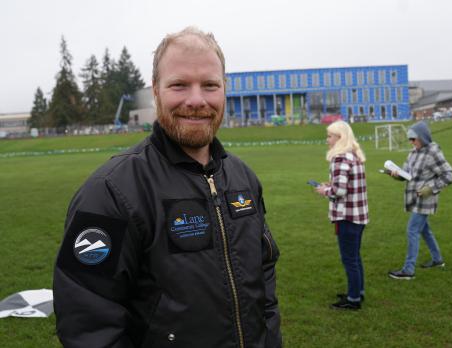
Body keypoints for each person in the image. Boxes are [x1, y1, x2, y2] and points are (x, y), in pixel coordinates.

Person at [53, 27, 282, 348]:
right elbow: (87, 321)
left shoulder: (243, 179)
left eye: (210, 85)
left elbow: (264, 276)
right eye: (179, 85)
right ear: (156, 91)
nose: (197, 100)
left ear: (224, 90)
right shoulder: (110, 192)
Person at [388, 121, 452, 280]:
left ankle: (408, 270)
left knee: (412, 230)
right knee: (424, 230)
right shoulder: (412, 153)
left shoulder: (433, 153)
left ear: (423, 137)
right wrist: (397, 174)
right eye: (409, 139)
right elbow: (407, 174)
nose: (411, 142)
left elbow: (449, 175)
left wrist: (431, 188)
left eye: (413, 139)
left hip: (426, 199)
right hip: (413, 197)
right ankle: (437, 260)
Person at [315, 121, 369, 311]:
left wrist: (324, 190)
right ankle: (358, 291)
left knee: (349, 259)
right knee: (355, 257)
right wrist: (330, 185)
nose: (327, 140)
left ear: (340, 138)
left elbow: (339, 191)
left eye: (330, 136)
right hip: (359, 216)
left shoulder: (339, 158)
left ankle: (353, 299)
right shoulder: (354, 156)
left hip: (346, 217)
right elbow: (346, 185)